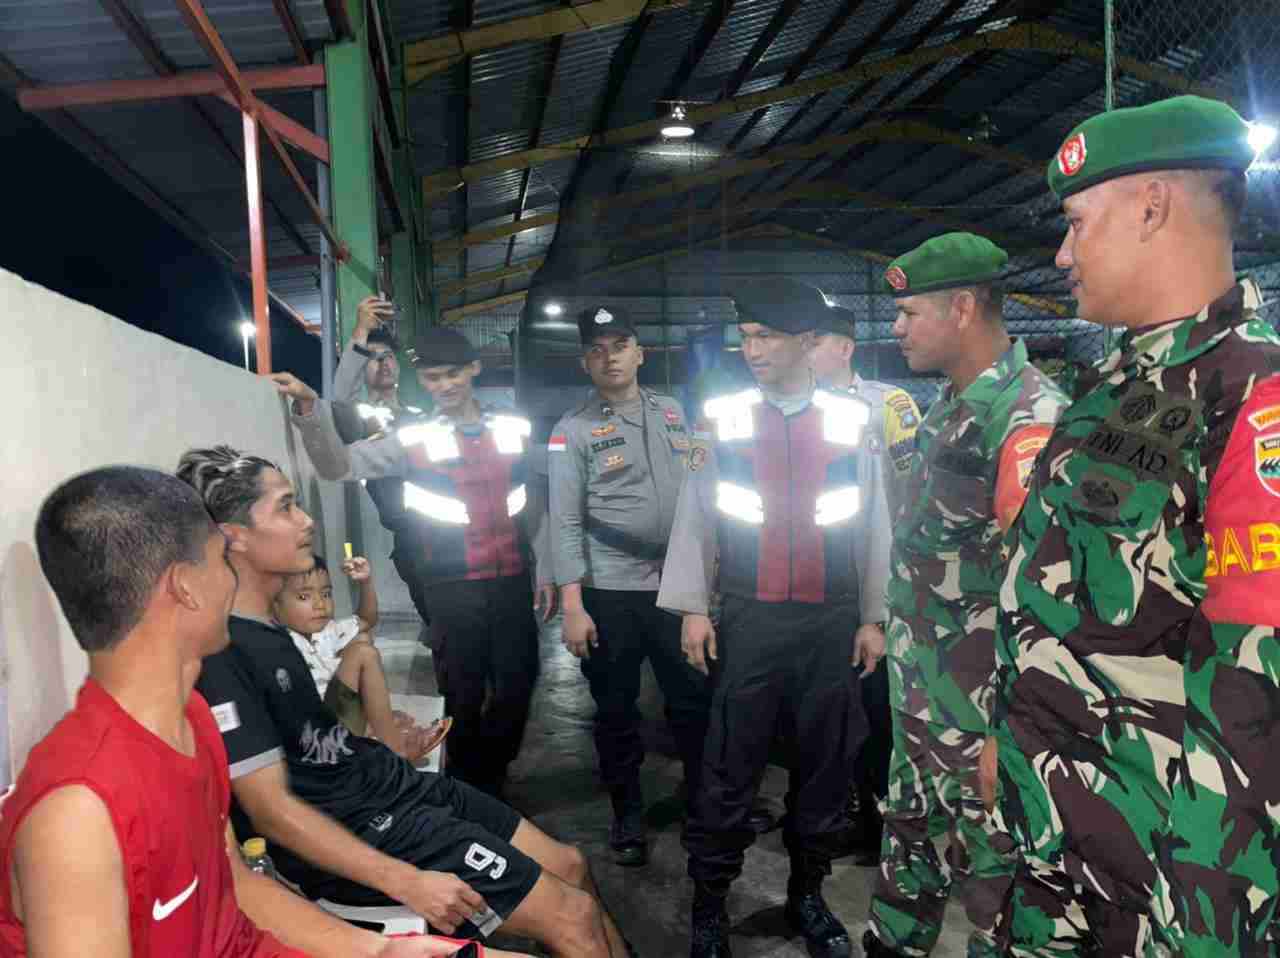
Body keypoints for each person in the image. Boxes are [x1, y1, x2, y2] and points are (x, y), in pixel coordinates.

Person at [982, 95, 1280, 958]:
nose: (1063, 253)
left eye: (1077, 224)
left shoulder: (1252, 400)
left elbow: (1257, 704)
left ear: (1150, 209)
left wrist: (1208, 927)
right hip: (1060, 842)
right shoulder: (1115, 388)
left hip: (1164, 886)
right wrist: (1013, 737)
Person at [0, 465, 507, 958]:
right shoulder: (77, 813)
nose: (235, 582)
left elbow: (237, 889)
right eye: (222, 560)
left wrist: (378, 950)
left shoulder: (193, 721)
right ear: (184, 587)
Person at [178, 446, 632, 958]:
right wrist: (405, 880)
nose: (305, 520)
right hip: (370, 830)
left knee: (571, 864)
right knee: (573, 916)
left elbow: (310, 739)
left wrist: (372, 741)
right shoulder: (222, 652)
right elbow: (272, 811)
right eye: (285, 507)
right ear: (233, 536)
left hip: (393, 786)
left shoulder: (273, 626)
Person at [658, 277, 889, 958]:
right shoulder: (720, 417)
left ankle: (807, 895)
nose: (751, 349)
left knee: (825, 768)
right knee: (730, 767)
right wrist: (694, 606)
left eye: (765, 337)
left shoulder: (854, 422)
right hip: (751, 620)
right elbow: (695, 515)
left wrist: (874, 615)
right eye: (747, 337)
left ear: (807, 342)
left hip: (831, 622)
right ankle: (710, 899)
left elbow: (877, 521)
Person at [860, 233, 1069, 958]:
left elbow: (1046, 597)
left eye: (908, 312)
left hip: (982, 723)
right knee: (906, 863)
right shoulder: (948, 409)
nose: (896, 327)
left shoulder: (1028, 418)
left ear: (961, 306)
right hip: (924, 705)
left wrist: (1007, 732)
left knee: (998, 896)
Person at [278, 326, 556, 797]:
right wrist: (309, 410)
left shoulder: (513, 427)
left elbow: (537, 501)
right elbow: (335, 466)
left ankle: (494, 770)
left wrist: (547, 569)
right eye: (431, 378)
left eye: (451, 374)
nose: (443, 386)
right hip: (449, 586)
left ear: (473, 368)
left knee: (518, 684)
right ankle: (471, 791)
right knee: (464, 695)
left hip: (512, 577)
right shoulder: (411, 438)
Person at [548, 304, 711, 867]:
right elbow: (564, 520)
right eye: (597, 349)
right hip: (611, 591)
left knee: (693, 700)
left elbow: (699, 484)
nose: (609, 356)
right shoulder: (570, 431)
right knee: (617, 709)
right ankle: (627, 812)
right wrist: (573, 603)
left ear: (640, 353)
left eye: (620, 345)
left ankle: (701, 802)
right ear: (585, 363)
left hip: (677, 585)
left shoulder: (672, 413)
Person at [810, 306, 922, 868]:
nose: (805, 348)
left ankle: (883, 818)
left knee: (878, 709)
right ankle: (842, 807)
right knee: (827, 708)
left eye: (817, 339)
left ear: (845, 346)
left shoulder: (889, 405)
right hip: (822, 584)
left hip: (884, 580)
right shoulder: (791, 407)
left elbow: (909, 493)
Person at [332, 295, 436, 660]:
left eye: (388, 356)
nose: (383, 363)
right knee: (443, 629)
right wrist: (361, 329)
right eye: (373, 359)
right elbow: (340, 397)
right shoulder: (358, 419)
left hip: (451, 534)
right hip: (412, 540)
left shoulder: (421, 416)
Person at [273, 553, 445, 762]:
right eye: (304, 597)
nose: (320, 604)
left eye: (326, 594)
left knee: (362, 638)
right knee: (363, 653)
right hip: (318, 734)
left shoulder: (327, 630)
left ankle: (378, 725)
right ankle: (396, 748)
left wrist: (365, 583)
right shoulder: (279, 642)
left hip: (336, 717)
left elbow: (366, 619)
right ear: (274, 605)